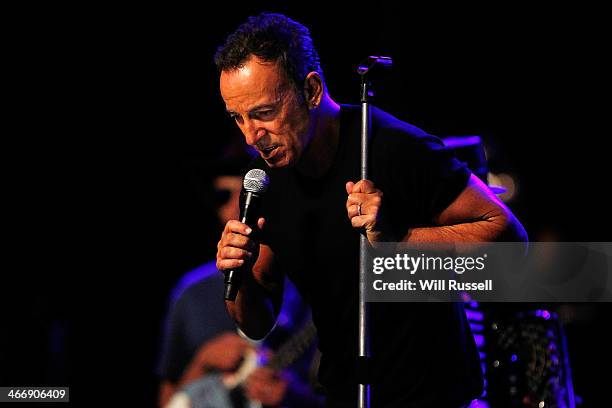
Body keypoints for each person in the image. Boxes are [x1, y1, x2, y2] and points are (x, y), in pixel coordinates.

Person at [214, 13, 528, 407]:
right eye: (237, 118)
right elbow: (257, 324)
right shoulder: (267, 182)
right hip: (346, 394)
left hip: (434, 395)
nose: (250, 136)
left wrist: (400, 241)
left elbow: (511, 243)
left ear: (311, 90)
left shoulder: (393, 147)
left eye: (263, 113)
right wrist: (238, 276)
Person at [157, 156, 324, 408]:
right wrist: (202, 362)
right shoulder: (191, 291)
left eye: (247, 194)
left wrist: (298, 398)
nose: (238, 207)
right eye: (224, 196)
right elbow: (168, 398)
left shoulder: (306, 278)